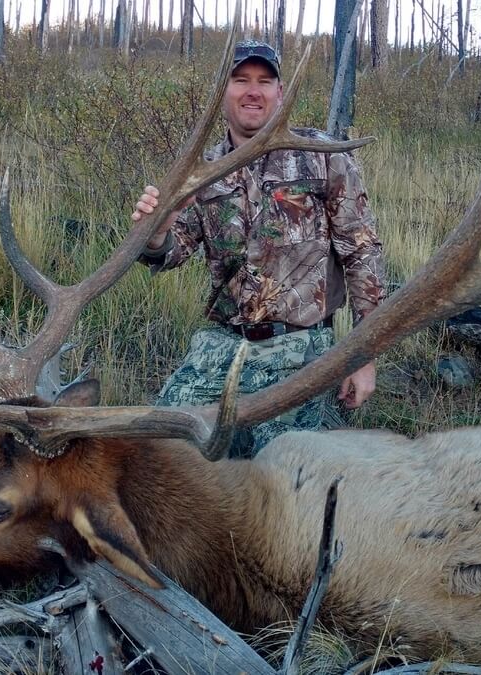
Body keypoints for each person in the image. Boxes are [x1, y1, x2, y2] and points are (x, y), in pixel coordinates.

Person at [132, 40, 385, 458]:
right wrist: (156, 230)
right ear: (223, 92)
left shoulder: (322, 155)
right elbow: (173, 251)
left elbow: (362, 254)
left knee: (279, 470)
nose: (253, 91)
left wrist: (363, 355)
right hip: (221, 347)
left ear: (280, 93)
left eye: (265, 82)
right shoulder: (199, 169)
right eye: (241, 80)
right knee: (155, 452)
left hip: (300, 352)